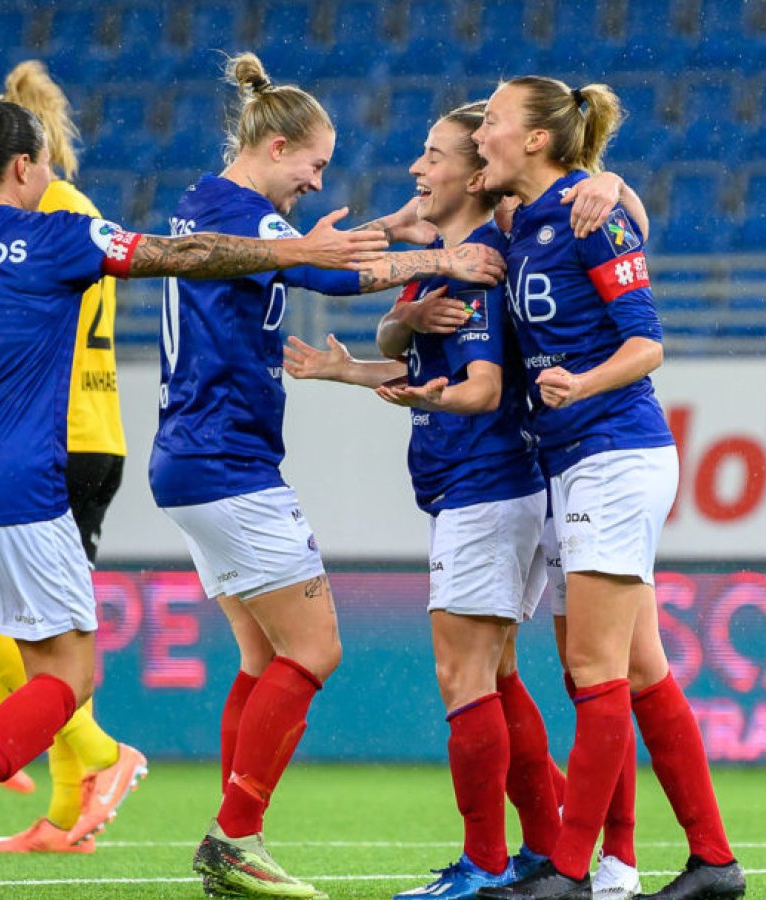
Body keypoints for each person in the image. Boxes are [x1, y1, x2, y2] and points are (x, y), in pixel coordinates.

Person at [0, 99, 385, 900]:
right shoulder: (57, 235)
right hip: (16, 485)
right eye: (47, 165)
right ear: (23, 168)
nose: (51, 177)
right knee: (70, 672)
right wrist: (298, 249)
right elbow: (184, 253)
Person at [150, 54, 508, 900]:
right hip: (227, 460)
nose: (316, 183)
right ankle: (235, 837)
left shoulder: (209, 205)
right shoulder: (242, 215)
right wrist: (445, 262)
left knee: (260, 654)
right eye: (313, 165)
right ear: (276, 147)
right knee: (315, 649)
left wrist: (391, 231)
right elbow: (329, 274)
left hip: (191, 457)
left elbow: (314, 254)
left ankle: (236, 836)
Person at [283, 101, 644, 900]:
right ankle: (543, 848)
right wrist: (368, 356)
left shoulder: (478, 263)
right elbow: (421, 351)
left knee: (464, 677)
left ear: (477, 177)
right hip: (491, 486)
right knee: (499, 676)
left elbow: (477, 388)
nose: (418, 167)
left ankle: (487, 861)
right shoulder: (458, 257)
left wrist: (612, 183)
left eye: (436, 154)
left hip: (487, 485)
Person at [469, 78, 745, 900]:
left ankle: (568, 870)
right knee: (639, 669)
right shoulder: (529, 221)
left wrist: (581, 384)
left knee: (595, 672)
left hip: (614, 452)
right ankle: (714, 862)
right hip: (579, 460)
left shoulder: (590, 216)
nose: (481, 133)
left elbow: (647, 343)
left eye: (492, 120)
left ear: (537, 139)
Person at [0, 60, 149, 856]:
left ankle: (103, 754)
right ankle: (69, 816)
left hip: (58, 436)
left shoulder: (45, 212)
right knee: (47, 631)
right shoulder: (76, 208)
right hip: (88, 431)